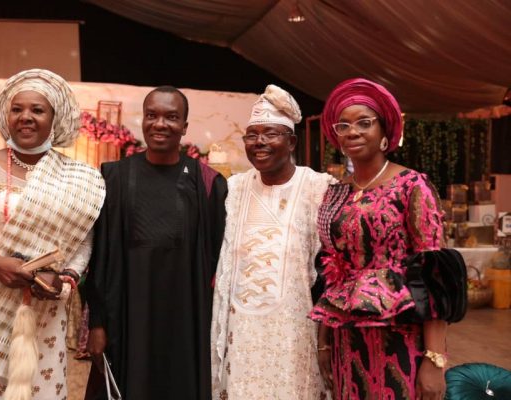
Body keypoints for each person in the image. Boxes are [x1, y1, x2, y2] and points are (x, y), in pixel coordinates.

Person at [0, 69, 106, 399]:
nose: (25, 117)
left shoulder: (79, 177)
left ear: (54, 118)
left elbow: (84, 239)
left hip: (42, 311)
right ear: (6, 115)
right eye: (17, 109)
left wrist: (67, 279)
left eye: (37, 110)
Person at [85, 85, 228, 400]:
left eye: (171, 117)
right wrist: (97, 323)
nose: (160, 124)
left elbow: (221, 266)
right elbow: (99, 257)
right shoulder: (114, 178)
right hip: (127, 321)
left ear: (185, 127)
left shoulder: (208, 186)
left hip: (186, 325)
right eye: (152, 115)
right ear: (143, 120)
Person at [309, 78, 447, 399]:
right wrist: (324, 341)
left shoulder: (412, 186)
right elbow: (334, 271)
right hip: (346, 339)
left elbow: (435, 275)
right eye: (343, 125)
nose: (352, 131)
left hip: (401, 335)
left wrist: (435, 359)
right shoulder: (336, 193)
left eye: (364, 123)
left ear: (385, 133)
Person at [210, 84, 333, 400]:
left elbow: (333, 272)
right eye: (252, 135)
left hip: (295, 337)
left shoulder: (318, 189)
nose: (259, 143)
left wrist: (326, 340)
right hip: (242, 338)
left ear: (291, 141)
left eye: (270, 134)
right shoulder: (232, 191)